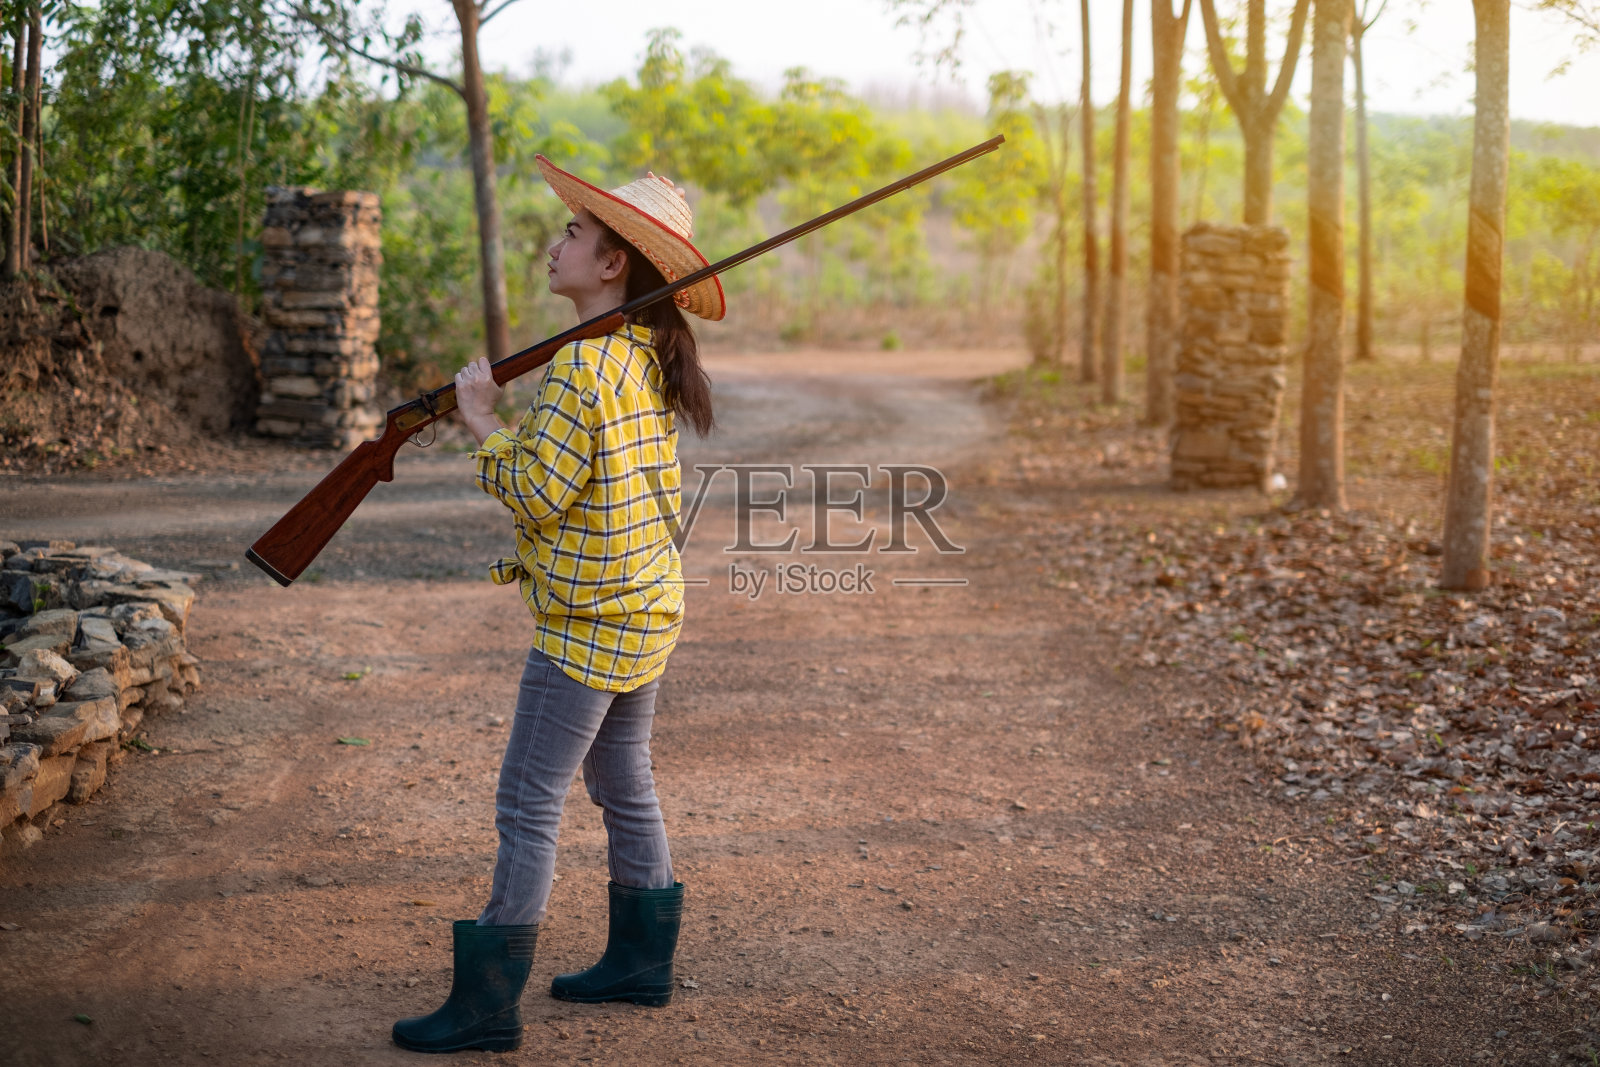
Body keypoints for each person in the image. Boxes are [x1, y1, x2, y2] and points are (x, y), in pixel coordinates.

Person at [391, 156, 724, 1055]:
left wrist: (481, 418)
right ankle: (639, 963)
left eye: (576, 233)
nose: (558, 241)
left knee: (529, 801)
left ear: (615, 265)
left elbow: (538, 492)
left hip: (586, 623)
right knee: (624, 778)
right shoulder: (642, 355)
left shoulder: (582, 368)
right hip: (646, 605)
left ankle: (489, 1002)